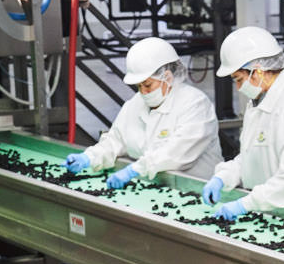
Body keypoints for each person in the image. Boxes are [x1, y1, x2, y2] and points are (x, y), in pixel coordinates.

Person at [62, 37, 222, 190]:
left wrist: (135, 169)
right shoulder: (135, 104)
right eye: (139, 86)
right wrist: (89, 157)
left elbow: (177, 153)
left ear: (167, 77)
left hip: (198, 191)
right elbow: (115, 141)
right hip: (155, 189)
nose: (143, 92)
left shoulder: (195, 104)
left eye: (147, 85)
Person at [200, 26, 284, 219]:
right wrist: (223, 177)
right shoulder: (260, 100)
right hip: (267, 209)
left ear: (257, 72)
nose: (239, 88)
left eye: (238, 80)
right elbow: (250, 155)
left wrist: (244, 204)